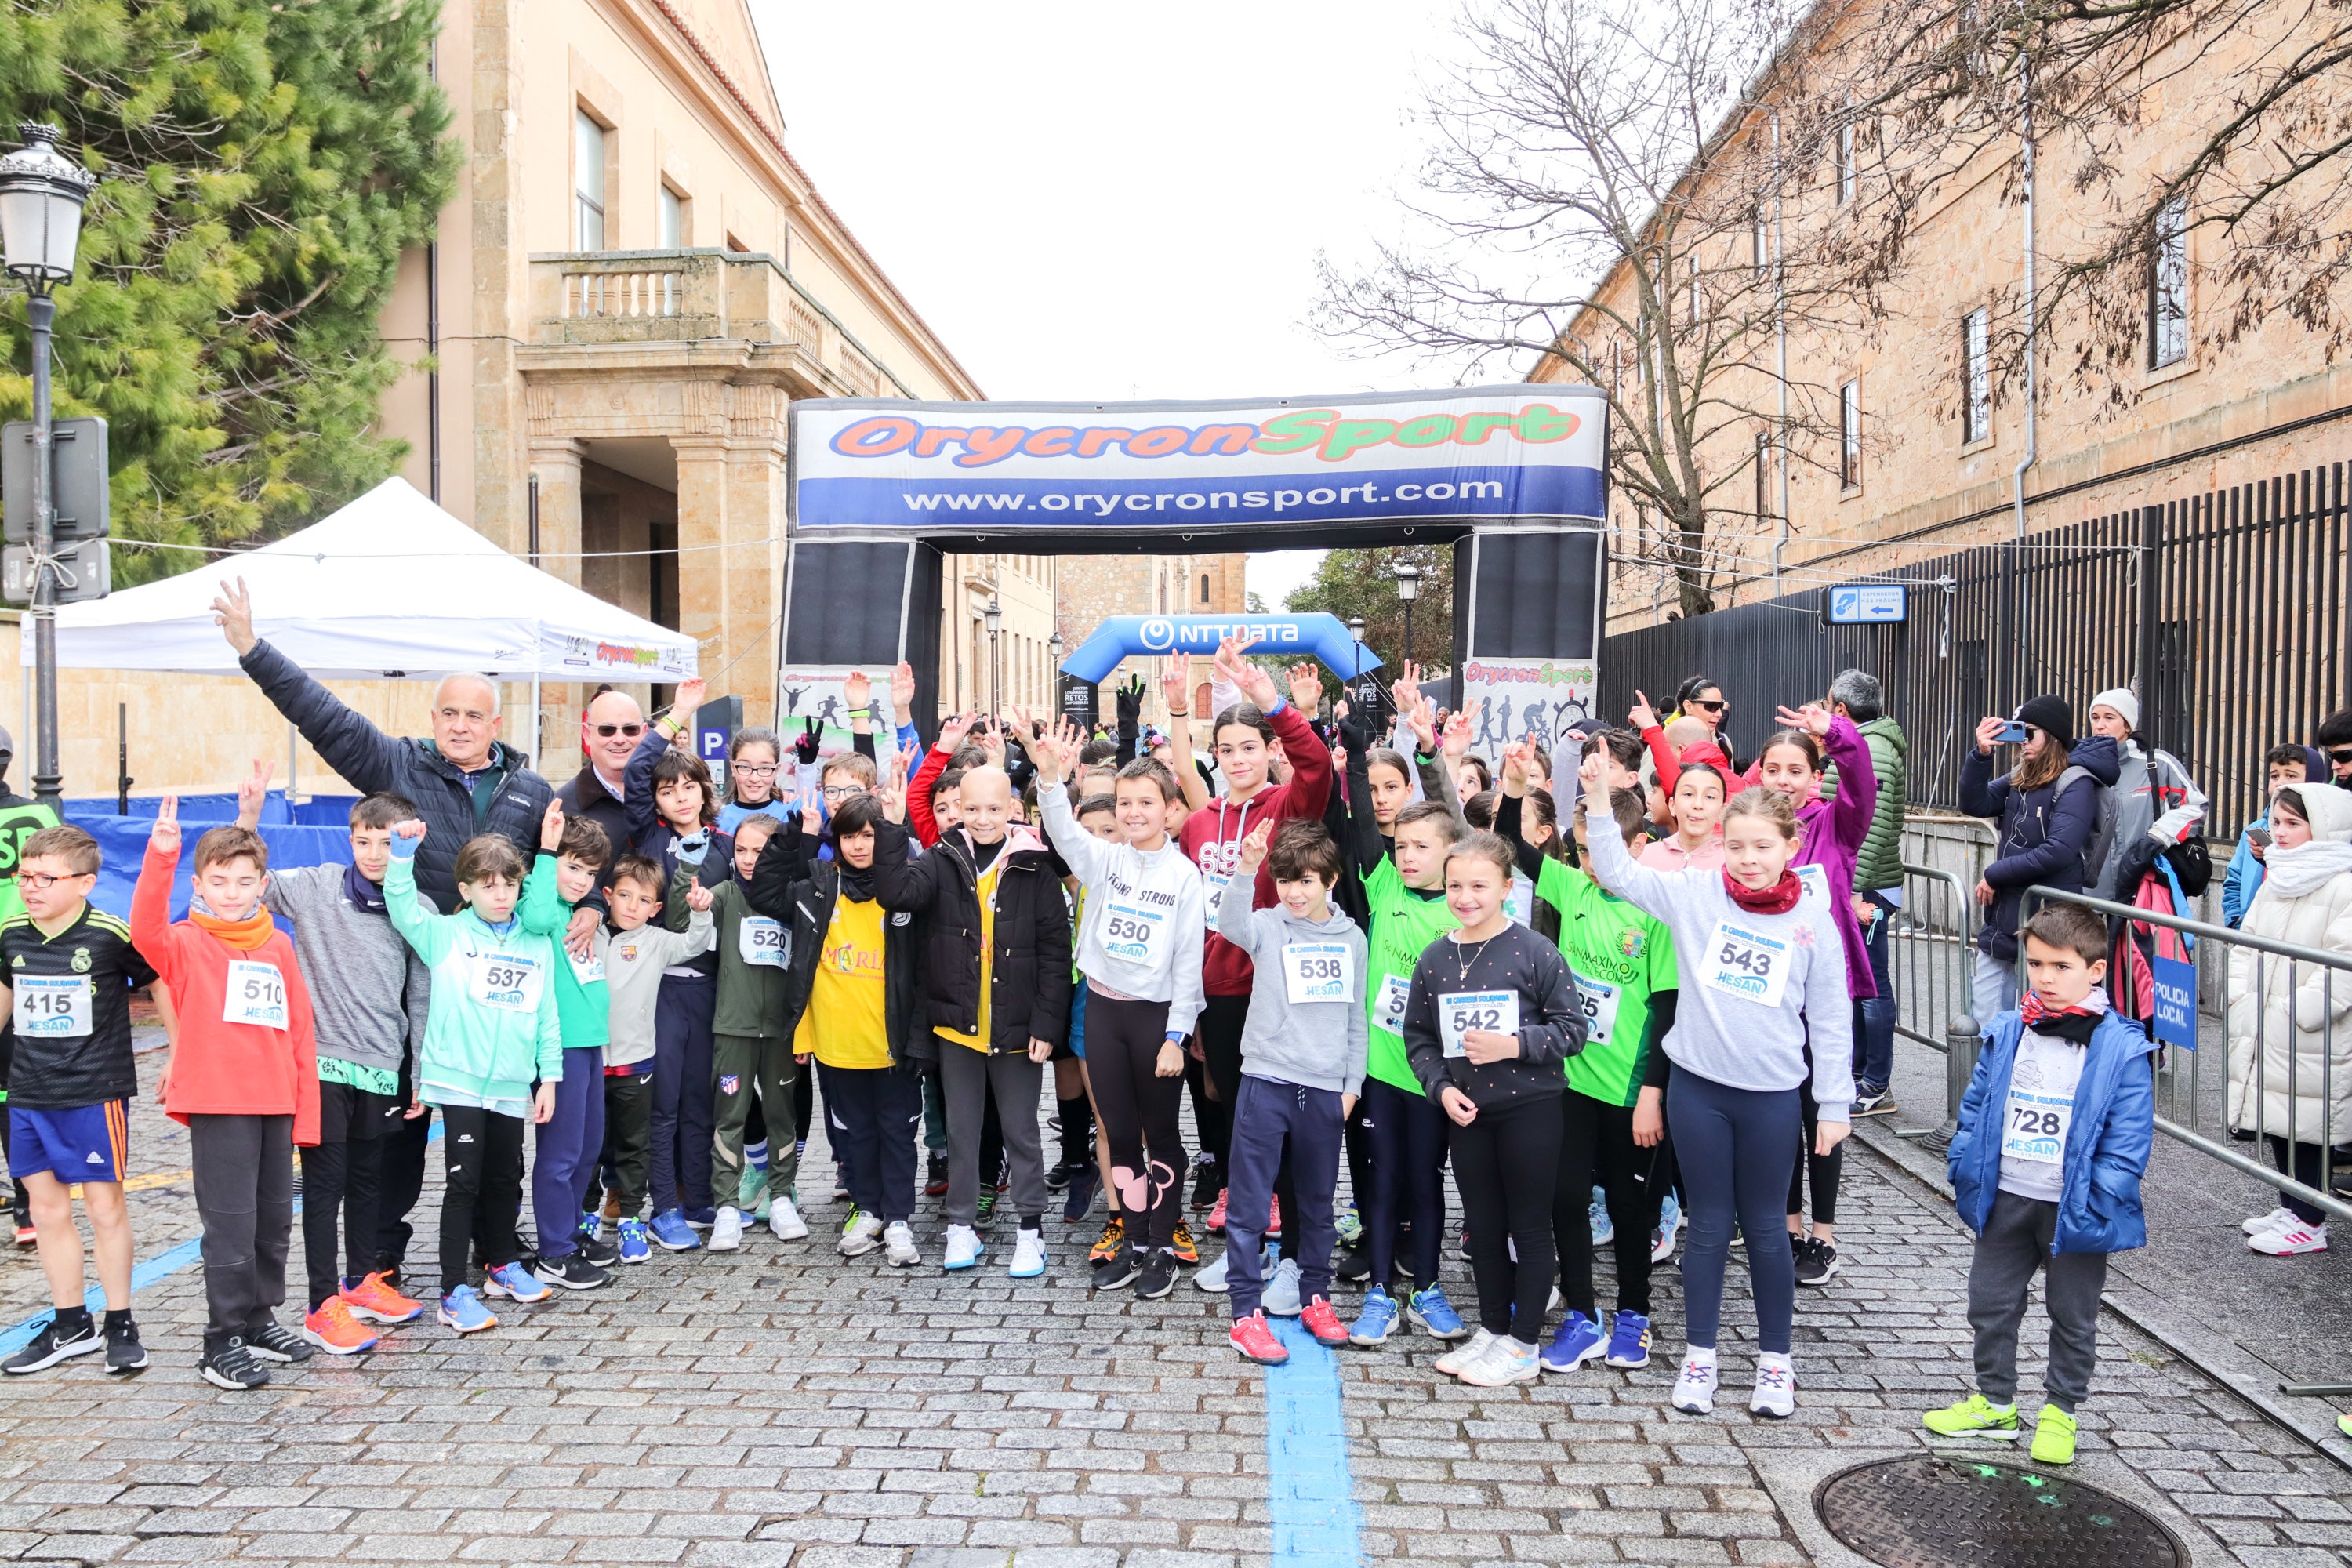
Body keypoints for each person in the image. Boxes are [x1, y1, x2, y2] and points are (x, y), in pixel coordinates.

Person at [1582, 763, 1853, 1420]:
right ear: (1718, 847)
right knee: (1705, 1227)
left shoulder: (1813, 920)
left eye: (1763, 846)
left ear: (1791, 847)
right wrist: (1595, 799)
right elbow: (1621, 874)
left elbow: (1832, 1014)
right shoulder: (1697, 893)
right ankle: (1699, 1357)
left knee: (1764, 1229)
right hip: (1698, 1092)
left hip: (1770, 1098)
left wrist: (1836, 1103)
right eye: (1736, 846)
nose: (1749, 859)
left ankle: (1775, 1363)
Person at [1925, 902, 2154, 1466]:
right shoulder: (2009, 1029)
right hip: (2007, 1194)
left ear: (2095, 971)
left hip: (2073, 1206)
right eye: (2035, 964)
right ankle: (1995, 1401)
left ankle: (2061, 1411)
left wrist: (2100, 1195)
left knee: (2072, 1313)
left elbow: (2128, 1138)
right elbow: (1977, 1104)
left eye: (2060, 966)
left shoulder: (2122, 1046)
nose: (2045, 978)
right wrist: (1964, 1160)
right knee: (1990, 1302)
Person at [1497, 746, 1676, 1377]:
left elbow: (1667, 1010)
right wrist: (1516, 787)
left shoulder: (1656, 912)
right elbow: (1510, 849)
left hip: (1629, 1094)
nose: (1585, 859)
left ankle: (1634, 1314)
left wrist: (1653, 1092)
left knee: (1630, 1210)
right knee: (1567, 1198)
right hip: (1568, 1081)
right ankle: (1583, 1313)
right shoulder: (1571, 887)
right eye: (1579, 848)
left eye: (1598, 847)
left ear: (1633, 845)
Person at [132, 803, 321, 1389]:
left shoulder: (279, 947)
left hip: (275, 1103)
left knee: (271, 1222)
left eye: (244, 882)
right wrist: (161, 856)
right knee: (231, 1224)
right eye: (218, 882)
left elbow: (299, 1030)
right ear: (199, 885)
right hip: (221, 1105)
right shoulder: (185, 943)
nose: (232, 893)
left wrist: (305, 1113)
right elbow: (144, 930)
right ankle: (222, 1339)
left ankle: (260, 1318)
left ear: (263, 885)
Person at [872, 761, 1073, 1276]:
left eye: (993, 808)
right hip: (956, 1028)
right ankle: (961, 1226)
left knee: (1022, 1131)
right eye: (972, 808)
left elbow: (1055, 953)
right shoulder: (940, 860)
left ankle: (1031, 1230)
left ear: (1012, 809)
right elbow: (896, 894)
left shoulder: (1035, 865)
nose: (982, 819)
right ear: (958, 809)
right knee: (961, 1131)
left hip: (1017, 1028)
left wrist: (1047, 1026)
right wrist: (894, 830)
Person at [1029, 718, 1206, 1298]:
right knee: (1122, 1137)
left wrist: (1176, 1037)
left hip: (1154, 1021)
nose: (1133, 813)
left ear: (1168, 808)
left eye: (1145, 803)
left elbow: (1187, 963)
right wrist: (1051, 779)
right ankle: (1132, 1241)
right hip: (1103, 1013)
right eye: (1125, 802)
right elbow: (1060, 829)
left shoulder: (1185, 876)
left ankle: (1161, 1245)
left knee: (1162, 1136)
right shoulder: (1104, 859)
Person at [1403, 829, 1584, 1388]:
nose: (1465, 897)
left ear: (1507, 887)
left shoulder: (1534, 950)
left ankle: (1524, 1343)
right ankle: (1493, 1327)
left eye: (1479, 885)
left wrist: (1515, 1045)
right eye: (1455, 885)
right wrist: (1440, 1088)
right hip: (1468, 1115)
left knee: (1528, 1227)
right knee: (1483, 1227)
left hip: (1530, 1110)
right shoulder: (1435, 957)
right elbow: (1418, 1036)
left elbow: (1574, 1030)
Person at [257, 791, 435, 1352]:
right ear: (350, 838)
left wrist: (420, 1069)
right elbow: (252, 877)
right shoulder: (316, 886)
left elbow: (422, 995)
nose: (375, 854)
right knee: (325, 1184)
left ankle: (362, 1282)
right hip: (322, 1062)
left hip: (382, 1062)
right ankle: (320, 1305)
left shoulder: (416, 908)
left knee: (368, 1180)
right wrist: (246, 818)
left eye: (388, 843)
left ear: (409, 839)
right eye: (364, 841)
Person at [1182, 639, 1334, 1283]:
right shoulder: (1197, 824)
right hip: (1218, 994)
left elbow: (1318, 766)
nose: (1238, 759)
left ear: (1266, 751)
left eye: (1249, 747)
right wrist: (1187, 1006)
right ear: (1214, 758)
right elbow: (1190, 920)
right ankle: (1249, 1251)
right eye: (1227, 750)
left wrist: (1272, 703)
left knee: (1290, 1131)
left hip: (1277, 994)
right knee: (1242, 1131)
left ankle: (1299, 1257)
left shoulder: (1285, 807)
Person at [383, 822, 568, 1333]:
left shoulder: (536, 941)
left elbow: (547, 1013)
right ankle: (451, 1289)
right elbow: (400, 906)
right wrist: (401, 856)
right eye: (487, 885)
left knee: (508, 1176)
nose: (501, 894)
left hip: (512, 1082)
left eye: (509, 883)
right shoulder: (445, 934)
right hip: (459, 1080)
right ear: (465, 890)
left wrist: (547, 1078)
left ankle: (502, 1266)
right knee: (464, 1182)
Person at [0, 825, 154, 1376]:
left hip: (93, 1093)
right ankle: (71, 1323)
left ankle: (121, 1321)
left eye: (46, 877)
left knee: (104, 1208)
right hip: (28, 1092)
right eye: (24, 876)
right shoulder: (12, 934)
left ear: (86, 883)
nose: (31, 887)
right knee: (45, 1210)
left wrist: (179, 1055)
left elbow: (159, 983)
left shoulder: (111, 935)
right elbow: (7, 998)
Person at [1216, 818, 1368, 1365]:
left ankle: (1316, 1297)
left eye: (1306, 880)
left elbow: (1357, 1020)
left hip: (1324, 1092)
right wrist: (1244, 867)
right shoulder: (1268, 926)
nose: (1295, 892)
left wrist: (1350, 1086)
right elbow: (1227, 922)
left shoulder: (1352, 940)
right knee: (1251, 1203)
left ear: (1330, 878)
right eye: (1285, 881)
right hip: (1266, 1082)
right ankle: (1244, 1314)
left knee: (1318, 1205)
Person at [753, 793, 924, 1266]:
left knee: (897, 1133)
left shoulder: (905, 892)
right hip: (836, 1045)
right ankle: (867, 1209)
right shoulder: (819, 887)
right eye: (849, 836)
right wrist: (801, 837)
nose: (860, 846)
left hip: (891, 1047)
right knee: (856, 1135)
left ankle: (899, 1218)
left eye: (870, 836)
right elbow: (765, 892)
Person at [1751, 706, 1877, 1288]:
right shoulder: (1750, 835)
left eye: (1796, 770)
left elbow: (1863, 785)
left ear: (1814, 776)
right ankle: (1788, 1225)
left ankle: (1823, 1236)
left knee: (1821, 1113)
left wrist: (1839, 736)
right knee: (1780, 1116)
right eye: (1773, 768)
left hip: (1824, 995)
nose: (1783, 779)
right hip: (1768, 996)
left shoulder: (1835, 826)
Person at [2224, 782, 2352, 1257]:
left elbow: (2343, 963)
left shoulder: (2343, 883)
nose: (2279, 832)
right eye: (2276, 821)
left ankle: (2311, 1220)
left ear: (2323, 828)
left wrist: (2304, 1010)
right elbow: (2248, 941)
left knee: (2310, 1125)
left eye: (2293, 823)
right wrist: (2243, 993)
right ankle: (2292, 1203)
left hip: (2311, 1030)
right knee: (2278, 1118)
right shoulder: (2279, 876)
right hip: (2269, 1017)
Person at [626, 677, 729, 1247]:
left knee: (699, 1101)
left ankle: (698, 1196)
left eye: (689, 787)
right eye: (669, 790)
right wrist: (677, 715)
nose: (680, 797)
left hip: (709, 988)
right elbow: (638, 772)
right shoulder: (649, 836)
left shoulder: (724, 845)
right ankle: (662, 1205)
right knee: (662, 1103)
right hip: (660, 988)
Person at [673, 810, 806, 1250]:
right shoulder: (727, 893)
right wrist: (694, 903)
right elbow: (692, 910)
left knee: (781, 1114)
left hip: (783, 1030)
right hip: (734, 1026)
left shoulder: (793, 897)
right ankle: (727, 1204)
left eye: (760, 850)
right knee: (730, 1114)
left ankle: (782, 1195)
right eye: (742, 849)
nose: (749, 859)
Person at [1958, 699, 2122, 1025]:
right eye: (2018, 734)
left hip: (2049, 921)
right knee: (1985, 1022)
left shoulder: (2076, 782)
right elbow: (1974, 803)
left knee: (2040, 1021)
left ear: (2052, 736)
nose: (2022, 743)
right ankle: (1992, 1074)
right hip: (2006, 918)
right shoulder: (2022, 774)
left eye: (2029, 734)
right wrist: (1981, 755)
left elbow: (2058, 849)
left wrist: (1994, 874)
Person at [515, 804, 619, 1290]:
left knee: (586, 1147)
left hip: (590, 1041)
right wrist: (547, 851)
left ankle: (571, 1230)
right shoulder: (539, 903)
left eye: (590, 873)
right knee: (558, 1154)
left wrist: (592, 902)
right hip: (558, 1048)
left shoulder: (579, 909)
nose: (581, 880)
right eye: (572, 867)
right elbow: (535, 916)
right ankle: (553, 1251)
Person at [595, 853, 715, 1265]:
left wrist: (700, 914)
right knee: (589, 1146)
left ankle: (632, 1219)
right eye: (624, 896)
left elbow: (692, 944)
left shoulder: (656, 941)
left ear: (657, 908)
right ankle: (582, 1220)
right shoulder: (588, 934)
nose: (632, 906)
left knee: (634, 1144)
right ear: (607, 896)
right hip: (590, 1063)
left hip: (635, 1063)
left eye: (643, 900)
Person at [1824, 670, 1908, 1116]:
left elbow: (1870, 828)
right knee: (1858, 984)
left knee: (1871, 985)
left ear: (1840, 708)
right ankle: (1860, 1074)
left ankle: (1875, 1082)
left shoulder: (1870, 749)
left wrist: (1852, 893)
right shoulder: (1865, 744)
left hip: (1866, 887)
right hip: (1860, 882)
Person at [2085, 688, 2209, 902]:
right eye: (2095, 717)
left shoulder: (2157, 764)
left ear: (2127, 725)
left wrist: (2157, 837)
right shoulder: (2082, 768)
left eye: (2109, 717)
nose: (2100, 725)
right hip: (2092, 898)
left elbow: (2196, 806)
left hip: (2145, 893)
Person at [2223, 745, 2318, 927]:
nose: (2280, 783)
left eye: (2290, 776)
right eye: (2275, 776)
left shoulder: (2319, 831)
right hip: (2250, 934)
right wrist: (2235, 921)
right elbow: (2234, 880)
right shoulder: (2255, 829)